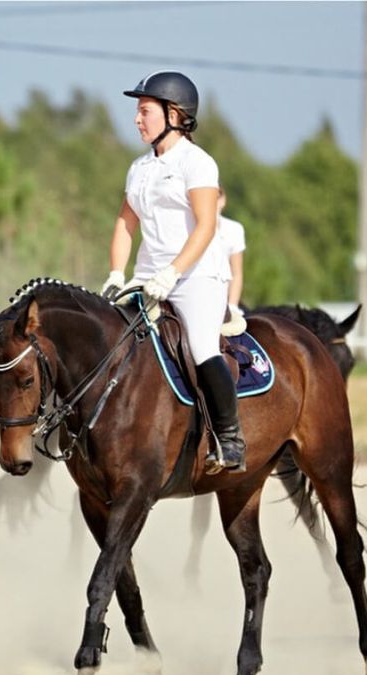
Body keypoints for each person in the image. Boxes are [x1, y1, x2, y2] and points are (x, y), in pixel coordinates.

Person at [100, 70, 245, 474]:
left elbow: (206, 226)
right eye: (137, 111)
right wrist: (116, 273)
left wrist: (174, 272)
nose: (137, 119)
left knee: (201, 347)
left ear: (174, 114)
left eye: (144, 110)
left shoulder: (197, 163)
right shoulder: (138, 168)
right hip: (146, 276)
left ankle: (230, 439)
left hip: (197, 277)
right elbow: (124, 224)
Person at [216, 186, 246, 318]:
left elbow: (236, 272)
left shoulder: (234, 229)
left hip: (223, 295)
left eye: (216, 197)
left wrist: (232, 305)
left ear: (223, 200)